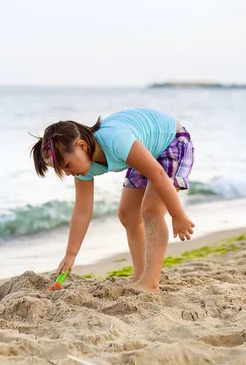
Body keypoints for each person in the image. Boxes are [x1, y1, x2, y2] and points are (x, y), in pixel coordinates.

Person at [30, 108, 195, 292]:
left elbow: (158, 174)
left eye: (67, 165)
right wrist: (70, 255)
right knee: (128, 214)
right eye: (62, 170)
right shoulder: (83, 168)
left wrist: (177, 214)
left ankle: (150, 282)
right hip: (146, 149)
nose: (68, 173)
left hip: (171, 141)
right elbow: (82, 211)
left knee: (151, 210)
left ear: (82, 146)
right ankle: (140, 277)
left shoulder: (116, 141)